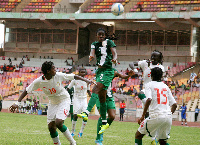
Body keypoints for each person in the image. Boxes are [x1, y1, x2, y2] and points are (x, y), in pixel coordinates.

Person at [9, 61, 94, 145]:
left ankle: (72, 142)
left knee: (59, 122)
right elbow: (27, 90)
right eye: (53, 68)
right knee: (51, 127)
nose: (55, 70)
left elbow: (74, 76)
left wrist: (87, 80)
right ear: (48, 71)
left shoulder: (58, 75)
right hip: (53, 103)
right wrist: (18, 103)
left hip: (64, 100)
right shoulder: (39, 81)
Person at [78, 28, 117, 134]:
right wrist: (91, 56)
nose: (101, 36)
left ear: (105, 35)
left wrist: (115, 58)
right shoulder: (94, 44)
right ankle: (104, 121)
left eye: (102, 35)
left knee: (95, 89)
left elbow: (114, 53)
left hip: (108, 71)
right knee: (101, 97)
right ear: (96, 35)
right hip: (99, 71)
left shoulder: (109, 42)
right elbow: (92, 52)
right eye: (99, 35)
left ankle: (86, 112)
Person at [129, 50, 165, 145]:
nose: (153, 58)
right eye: (152, 56)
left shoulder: (160, 67)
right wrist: (135, 70)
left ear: (159, 59)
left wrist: (147, 65)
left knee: (149, 114)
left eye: (155, 56)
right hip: (147, 88)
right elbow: (131, 63)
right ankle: (154, 138)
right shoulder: (145, 62)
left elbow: (154, 72)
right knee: (141, 94)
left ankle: (154, 138)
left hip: (155, 89)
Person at [135, 67, 177, 145]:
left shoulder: (149, 85)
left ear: (151, 75)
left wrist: (143, 116)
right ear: (161, 76)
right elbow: (174, 105)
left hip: (156, 115)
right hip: (168, 117)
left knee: (138, 135)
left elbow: (149, 99)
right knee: (163, 141)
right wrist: (168, 115)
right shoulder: (166, 86)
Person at [94, 68, 134, 145]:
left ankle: (102, 129)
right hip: (100, 96)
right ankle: (99, 139)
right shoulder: (100, 70)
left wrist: (128, 75)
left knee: (112, 116)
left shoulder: (113, 70)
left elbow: (122, 76)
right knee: (102, 116)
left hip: (109, 96)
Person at [68, 68, 91, 138]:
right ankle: (72, 131)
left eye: (84, 72)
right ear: (79, 73)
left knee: (85, 116)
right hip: (76, 98)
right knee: (75, 115)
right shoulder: (74, 80)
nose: (83, 74)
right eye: (81, 72)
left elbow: (88, 91)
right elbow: (68, 88)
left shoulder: (87, 81)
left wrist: (92, 97)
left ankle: (81, 132)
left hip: (84, 99)